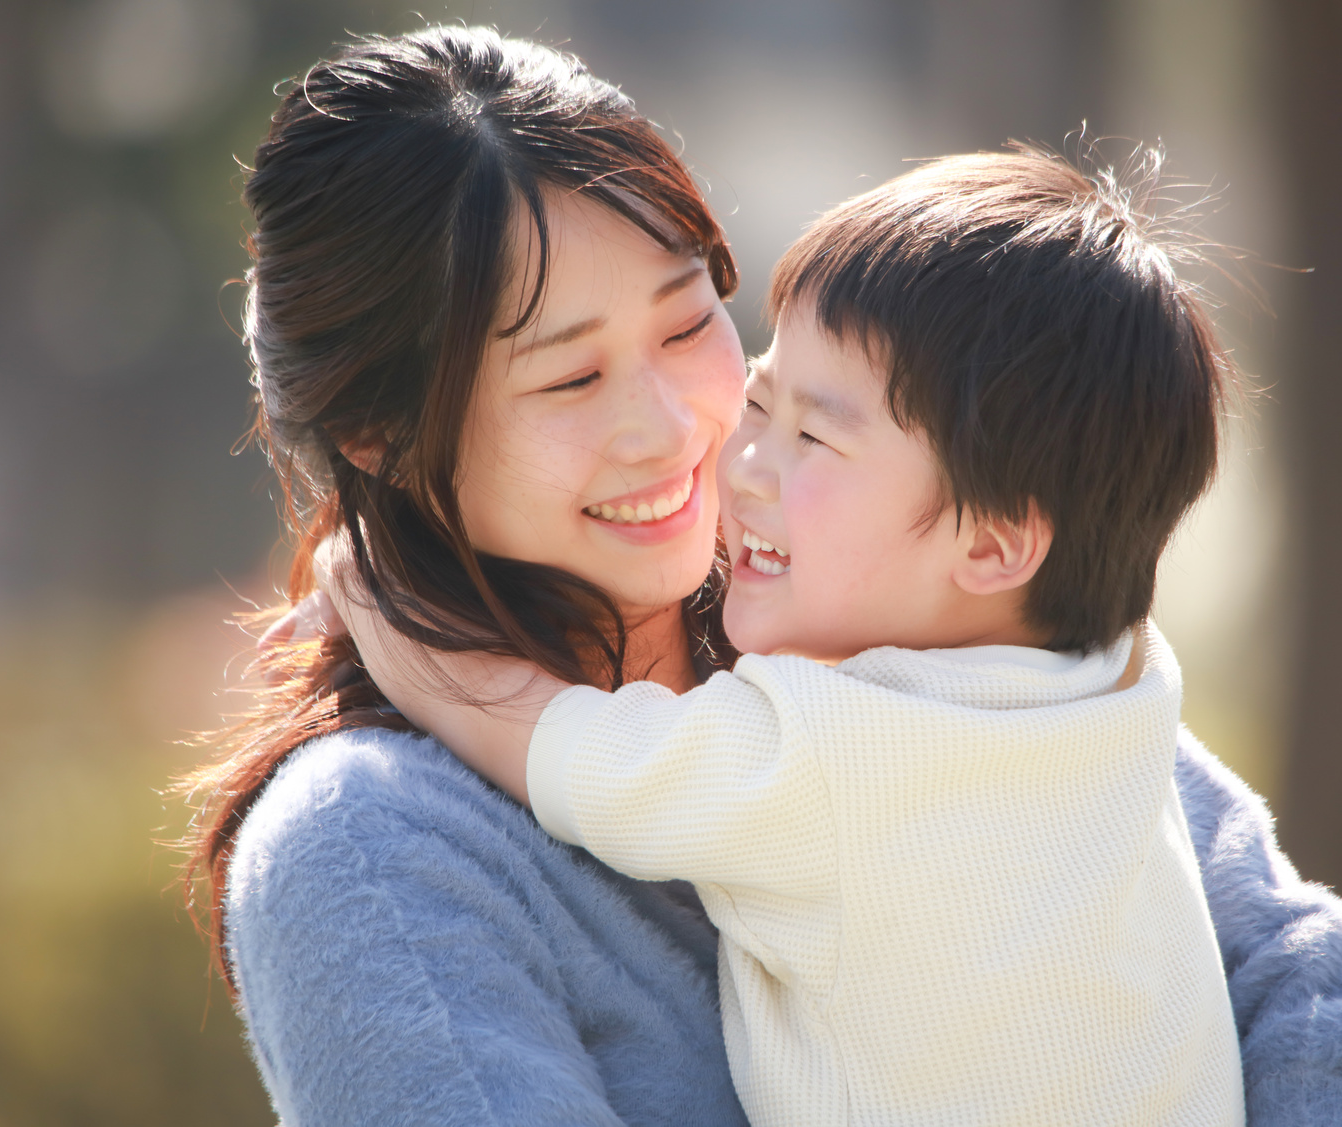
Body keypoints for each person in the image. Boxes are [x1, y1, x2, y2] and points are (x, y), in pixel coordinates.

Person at [178, 24, 1342, 1127]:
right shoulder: (375, 851)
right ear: (382, 437)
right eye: (569, 378)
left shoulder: (930, 642)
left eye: (686, 322)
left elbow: (1321, 993)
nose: (677, 425)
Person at [335, 149, 1246, 1127]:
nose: (744, 463)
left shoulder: (830, 756)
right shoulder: (1118, 688)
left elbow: (572, 752)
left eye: (814, 439)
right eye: (762, 402)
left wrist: (376, 605)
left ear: (993, 541)